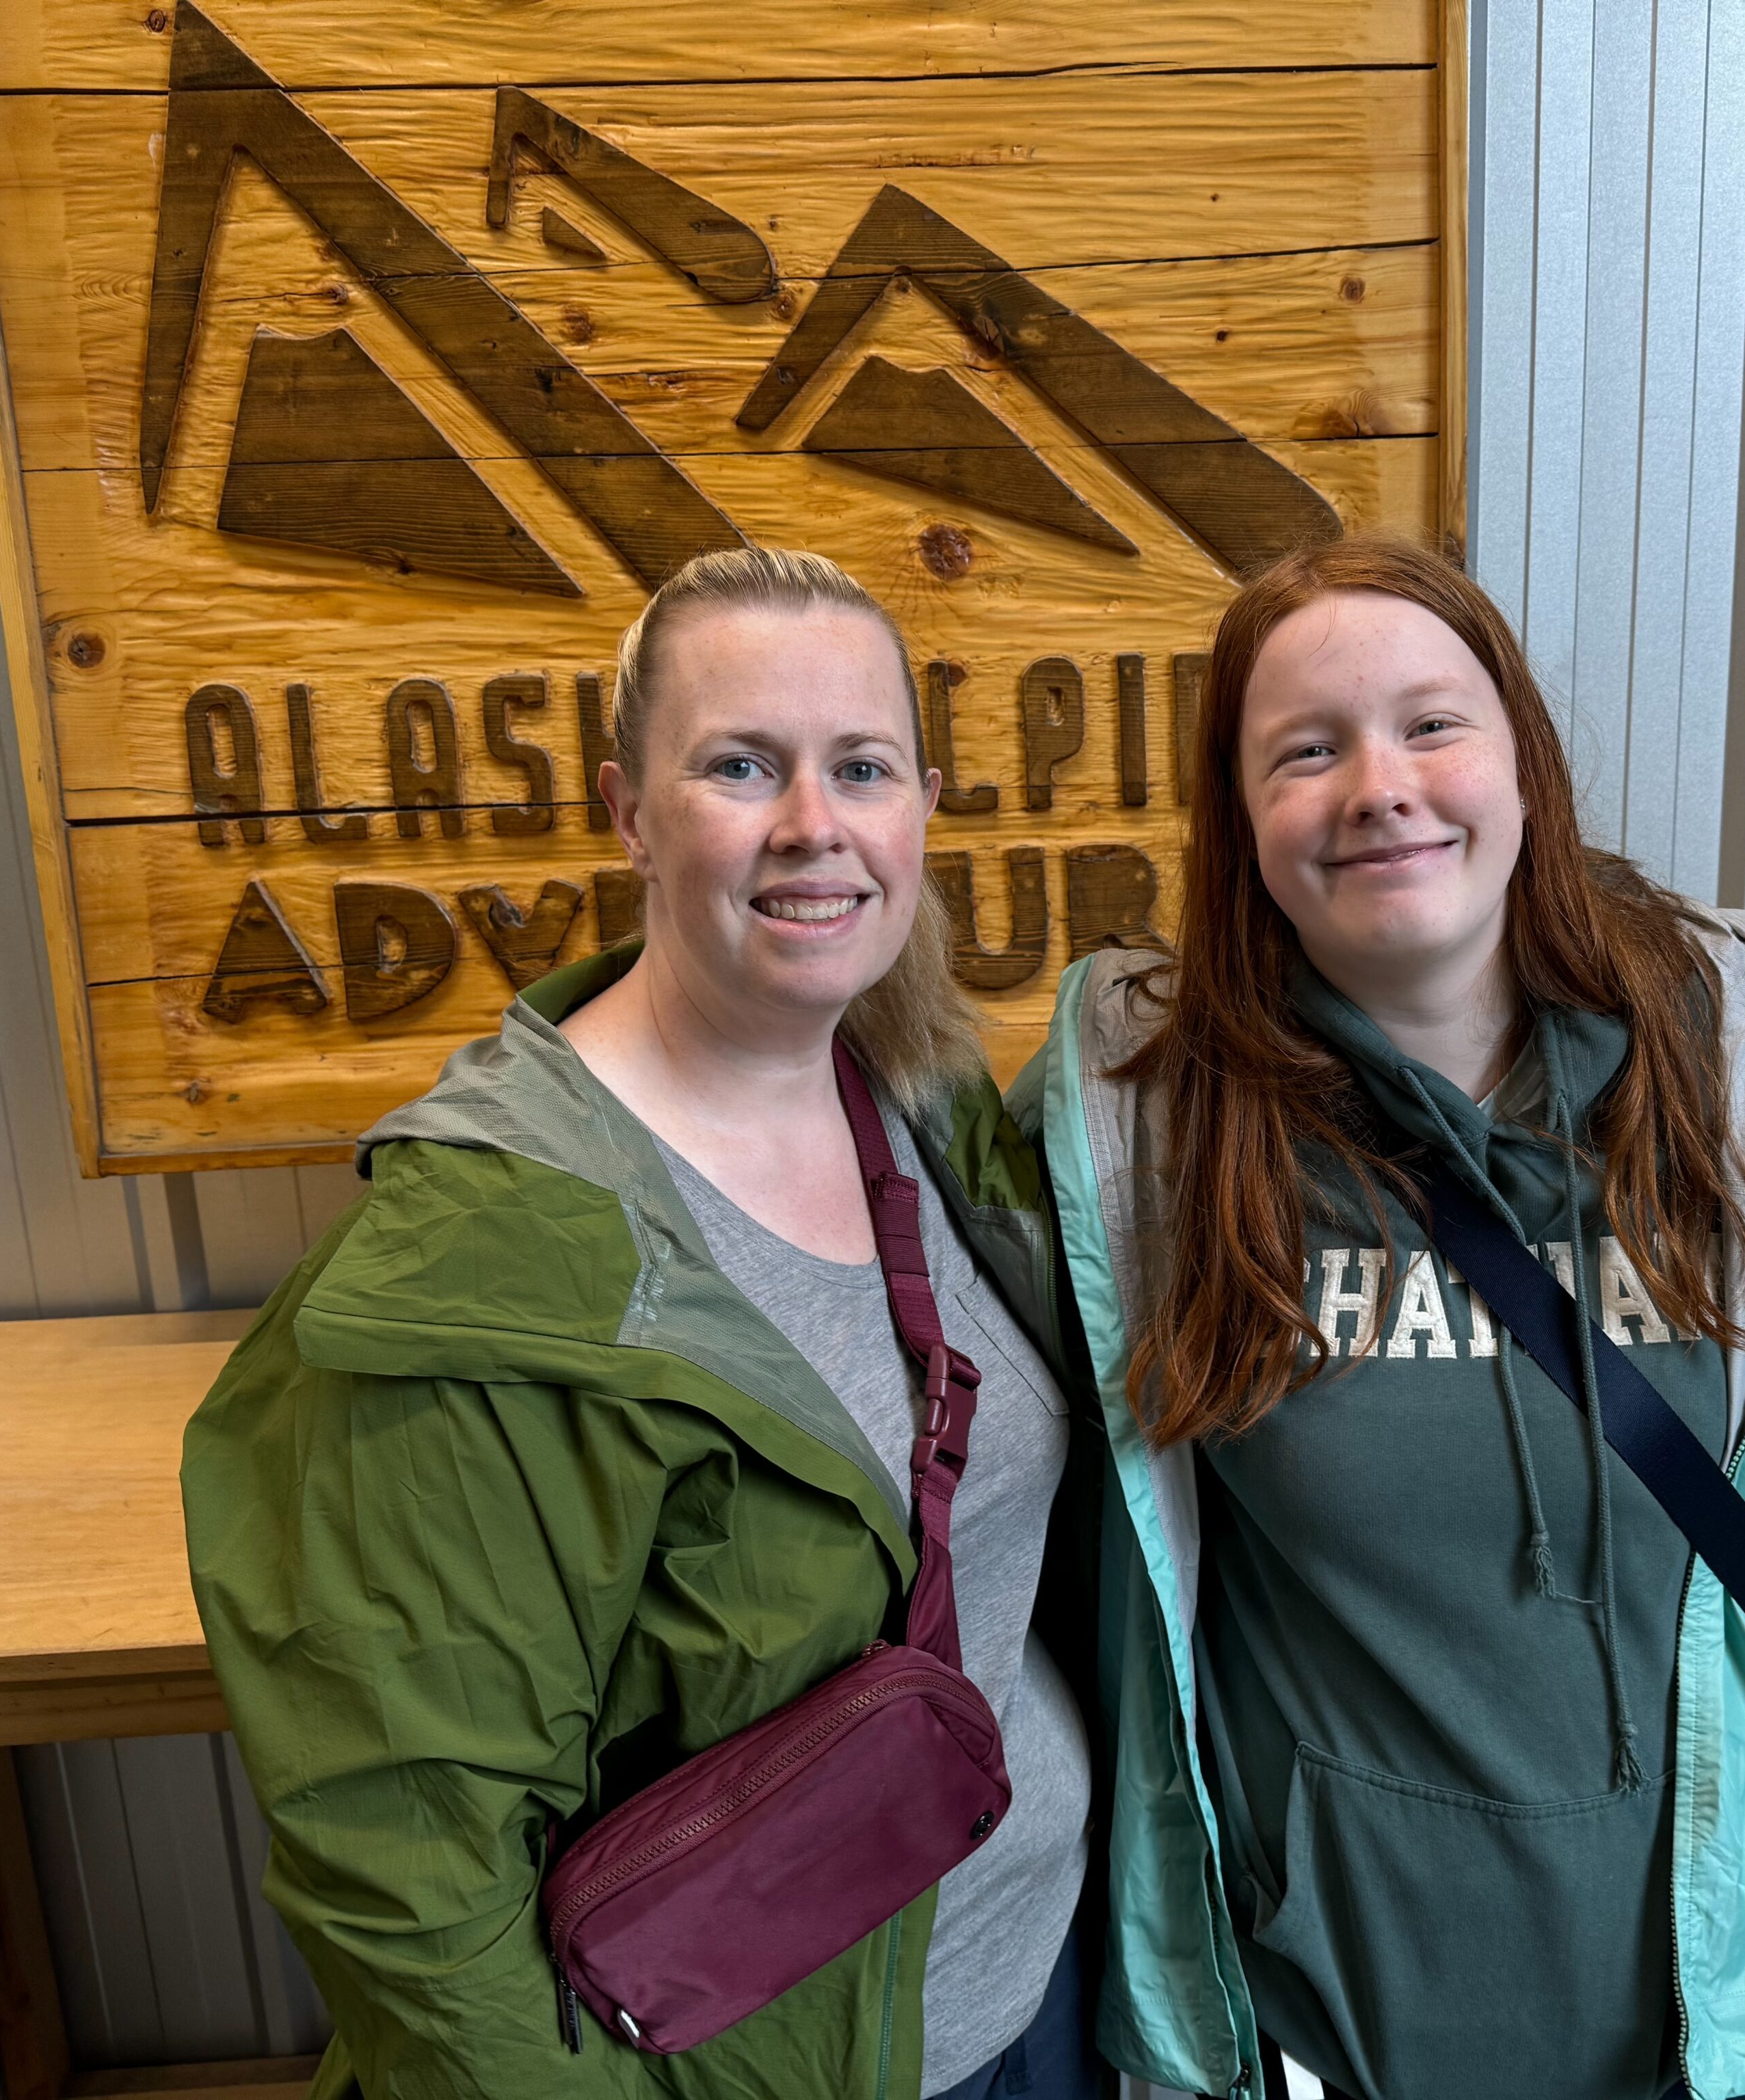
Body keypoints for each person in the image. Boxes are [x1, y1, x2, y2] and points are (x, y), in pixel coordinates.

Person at [1013, 535, 1745, 2100]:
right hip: (1333, 1977)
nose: (1376, 784)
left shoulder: (1744, 1029)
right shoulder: (1133, 1102)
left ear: (1520, 762)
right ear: (1242, 822)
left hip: (1697, 1955)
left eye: (1430, 723)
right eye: (1305, 750)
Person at [183, 548, 1106, 2100]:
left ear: (922, 806)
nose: (813, 824)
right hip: (767, 2069)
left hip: (1038, 1988)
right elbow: (409, 1897)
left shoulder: (923, 1107)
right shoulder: (473, 1270)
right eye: (740, 766)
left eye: (859, 768)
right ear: (628, 810)